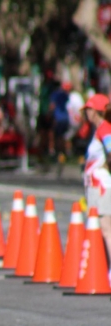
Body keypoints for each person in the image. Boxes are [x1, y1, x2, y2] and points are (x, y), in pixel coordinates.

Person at [81, 93, 111, 270]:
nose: (86, 113)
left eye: (89, 109)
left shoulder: (104, 129)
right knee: (99, 228)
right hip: (95, 186)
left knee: (106, 228)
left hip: (102, 186)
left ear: (96, 111)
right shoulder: (99, 130)